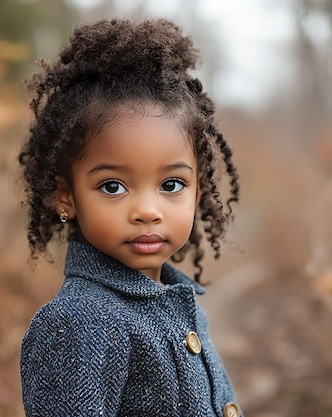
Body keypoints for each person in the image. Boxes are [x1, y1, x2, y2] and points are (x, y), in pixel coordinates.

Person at [18, 17, 243, 417]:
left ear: (199, 190)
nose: (146, 211)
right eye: (113, 186)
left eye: (171, 185)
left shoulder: (177, 304)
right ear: (64, 196)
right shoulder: (78, 324)